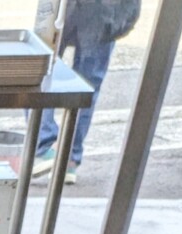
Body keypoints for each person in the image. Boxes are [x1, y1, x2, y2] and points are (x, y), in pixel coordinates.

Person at [34, 0, 142, 183]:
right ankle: (68, 159)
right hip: (106, 10)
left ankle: (44, 145)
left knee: (39, 71)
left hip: (62, 8)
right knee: (87, 84)